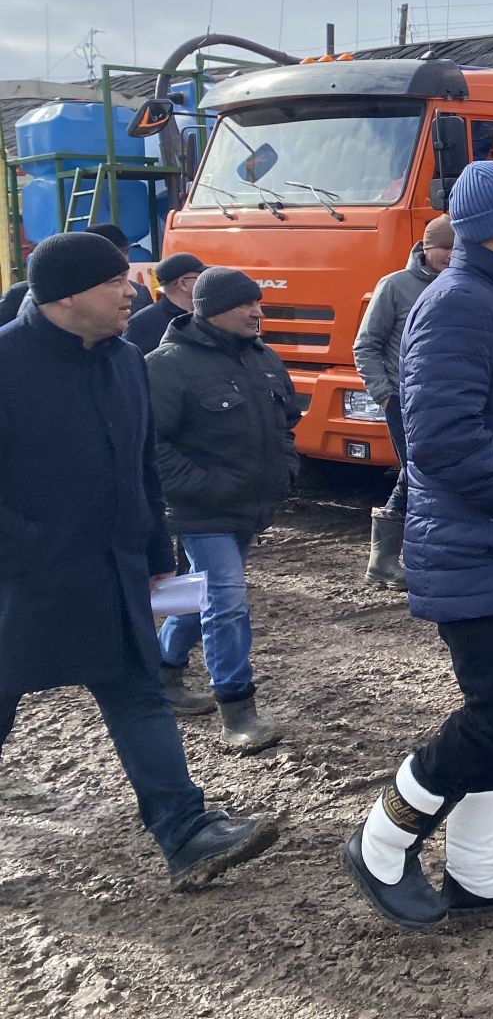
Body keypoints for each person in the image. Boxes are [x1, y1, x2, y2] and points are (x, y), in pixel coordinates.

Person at [0, 232, 278, 889]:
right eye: (117, 281)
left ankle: (187, 833)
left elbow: (141, 470)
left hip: (114, 569)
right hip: (21, 582)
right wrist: (24, 551)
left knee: (140, 693)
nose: (134, 291)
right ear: (68, 296)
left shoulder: (127, 361)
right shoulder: (6, 365)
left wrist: (158, 557)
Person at [342, 161, 493, 930]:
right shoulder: (460, 307)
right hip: (488, 545)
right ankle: (381, 840)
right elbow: (441, 442)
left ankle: (478, 871)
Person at [146, 268, 301, 752]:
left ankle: (162, 673)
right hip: (201, 510)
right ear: (212, 309)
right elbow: (150, 444)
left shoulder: (265, 359)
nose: (258, 312)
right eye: (246, 304)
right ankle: (238, 712)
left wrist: (286, 469)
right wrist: (204, 486)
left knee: (197, 591)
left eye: (259, 303)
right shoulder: (167, 364)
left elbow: (285, 425)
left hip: (248, 508)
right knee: (227, 602)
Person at [352, 215, 456, 590]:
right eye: (444, 248)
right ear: (427, 249)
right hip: (404, 400)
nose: (451, 255)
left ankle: (403, 560)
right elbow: (366, 344)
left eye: (456, 248)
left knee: (423, 472)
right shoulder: (395, 286)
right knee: (419, 471)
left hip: (449, 400)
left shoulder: (461, 285)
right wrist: (383, 394)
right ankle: (388, 561)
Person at [126, 252, 206, 356]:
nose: (205, 281)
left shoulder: (207, 314)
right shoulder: (143, 323)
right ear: (183, 283)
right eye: (201, 277)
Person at [87, 224, 151, 314]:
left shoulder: (140, 292)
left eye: (126, 252)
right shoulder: (77, 294)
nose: (123, 258)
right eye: (116, 253)